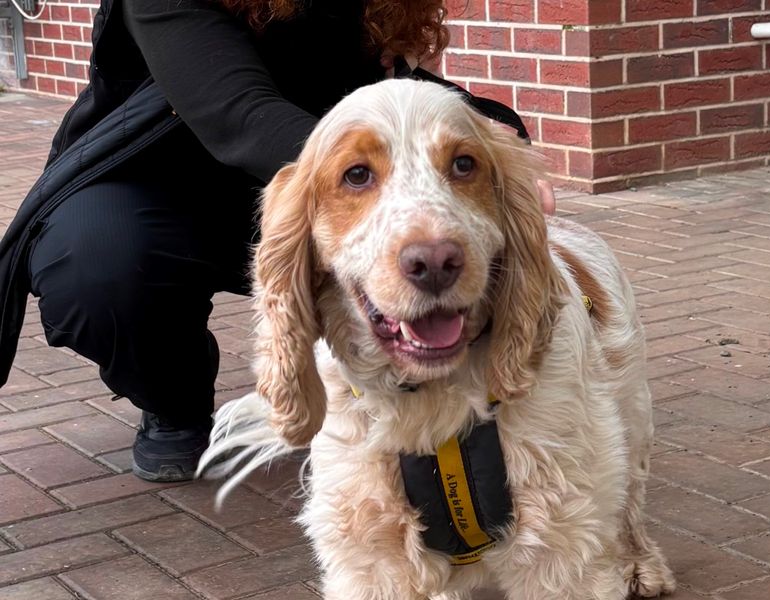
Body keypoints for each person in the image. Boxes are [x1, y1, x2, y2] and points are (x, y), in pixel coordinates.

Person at [0, 0, 556, 482]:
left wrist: (485, 135)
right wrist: (369, 180)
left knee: (403, 240)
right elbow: (240, 113)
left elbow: (397, 93)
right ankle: (173, 398)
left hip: (316, 193)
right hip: (158, 189)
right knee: (95, 266)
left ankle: (388, 396)